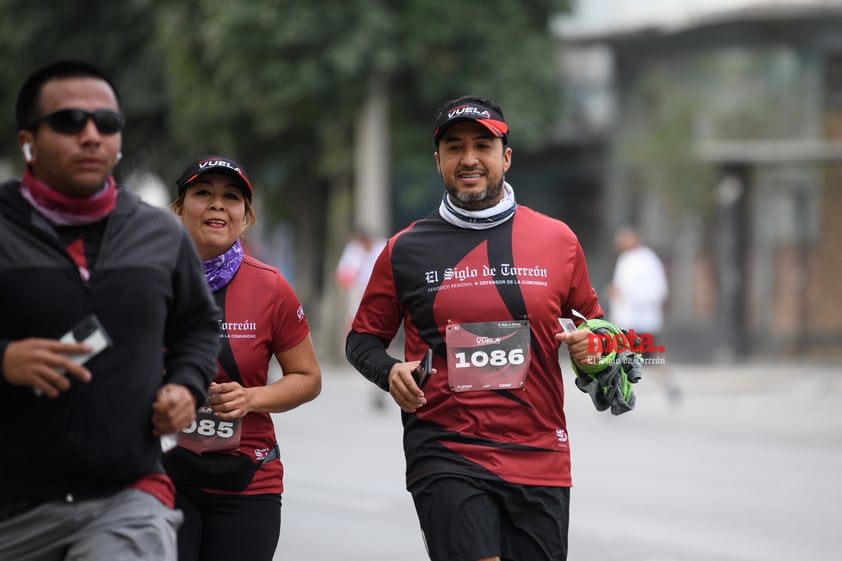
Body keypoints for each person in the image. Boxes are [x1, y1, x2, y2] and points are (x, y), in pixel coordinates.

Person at [345, 95, 628, 561]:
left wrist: (597, 352)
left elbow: (608, 337)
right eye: (455, 148)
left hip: (540, 454)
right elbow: (361, 340)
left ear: (506, 157)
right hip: (446, 452)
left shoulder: (558, 240)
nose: (469, 158)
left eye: (483, 145)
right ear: (438, 162)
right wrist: (388, 371)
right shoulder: (405, 250)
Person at [0, 60, 221, 560]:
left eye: (107, 123)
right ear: (27, 141)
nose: (92, 136)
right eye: (69, 122)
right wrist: (5, 358)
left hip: (125, 497)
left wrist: (186, 386)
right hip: (12, 509)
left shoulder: (159, 235)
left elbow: (198, 324)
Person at [165, 155, 322, 561]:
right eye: (204, 193)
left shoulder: (271, 288)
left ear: (245, 216)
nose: (218, 204)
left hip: (248, 482)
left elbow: (307, 377)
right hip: (161, 478)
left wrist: (251, 399)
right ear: (179, 209)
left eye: (231, 197)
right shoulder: (147, 278)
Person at [609, 226, 678, 399]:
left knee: (648, 359)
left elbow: (658, 291)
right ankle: (616, 395)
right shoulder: (625, 259)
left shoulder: (648, 260)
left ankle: (669, 384)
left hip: (643, 322)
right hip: (625, 321)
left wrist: (627, 295)